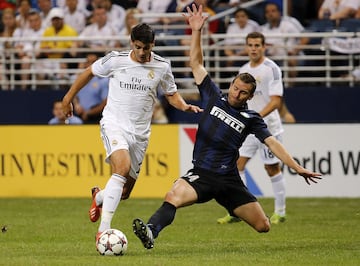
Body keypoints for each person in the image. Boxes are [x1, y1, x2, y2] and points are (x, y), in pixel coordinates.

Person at [131, 4, 322, 250]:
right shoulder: (213, 96)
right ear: (230, 85)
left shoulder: (251, 118)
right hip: (203, 174)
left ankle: (231, 205)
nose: (237, 94)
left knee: (263, 226)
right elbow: (196, 64)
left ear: (250, 96)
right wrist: (196, 30)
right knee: (172, 196)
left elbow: (272, 143)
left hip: (229, 180)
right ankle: (150, 231)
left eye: (244, 93)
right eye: (235, 88)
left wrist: (297, 167)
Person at [61, 22, 203, 245]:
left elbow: (171, 93)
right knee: (122, 167)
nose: (143, 52)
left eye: (147, 48)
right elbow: (89, 72)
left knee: (125, 192)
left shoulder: (162, 66)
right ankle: (103, 232)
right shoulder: (115, 60)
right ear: (132, 43)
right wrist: (68, 98)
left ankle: (99, 196)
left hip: (140, 134)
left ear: (152, 44)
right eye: (138, 47)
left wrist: (183, 106)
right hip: (114, 124)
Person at [216, 31, 293, 226]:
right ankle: (238, 210)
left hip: (268, 128)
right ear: (246, 47)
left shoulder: (272, 69)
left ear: (264, 47)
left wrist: (255, 118)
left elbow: (276, 101)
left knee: (271, 167)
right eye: (250, 45)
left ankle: (281, 212)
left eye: (257, 45)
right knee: (236, 166)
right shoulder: (243, 69)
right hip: (246, 127)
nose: (253, 48)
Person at [72, 52, 109, 124]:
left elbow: (105, 102)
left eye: (93, 62)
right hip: (80, 115)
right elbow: (74, 94)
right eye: (89, 62)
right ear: (85, 64)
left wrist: (89, 113)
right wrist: (76, 105)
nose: (91, 65)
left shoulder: (103, 80)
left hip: (96, 118)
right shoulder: (80, 78)